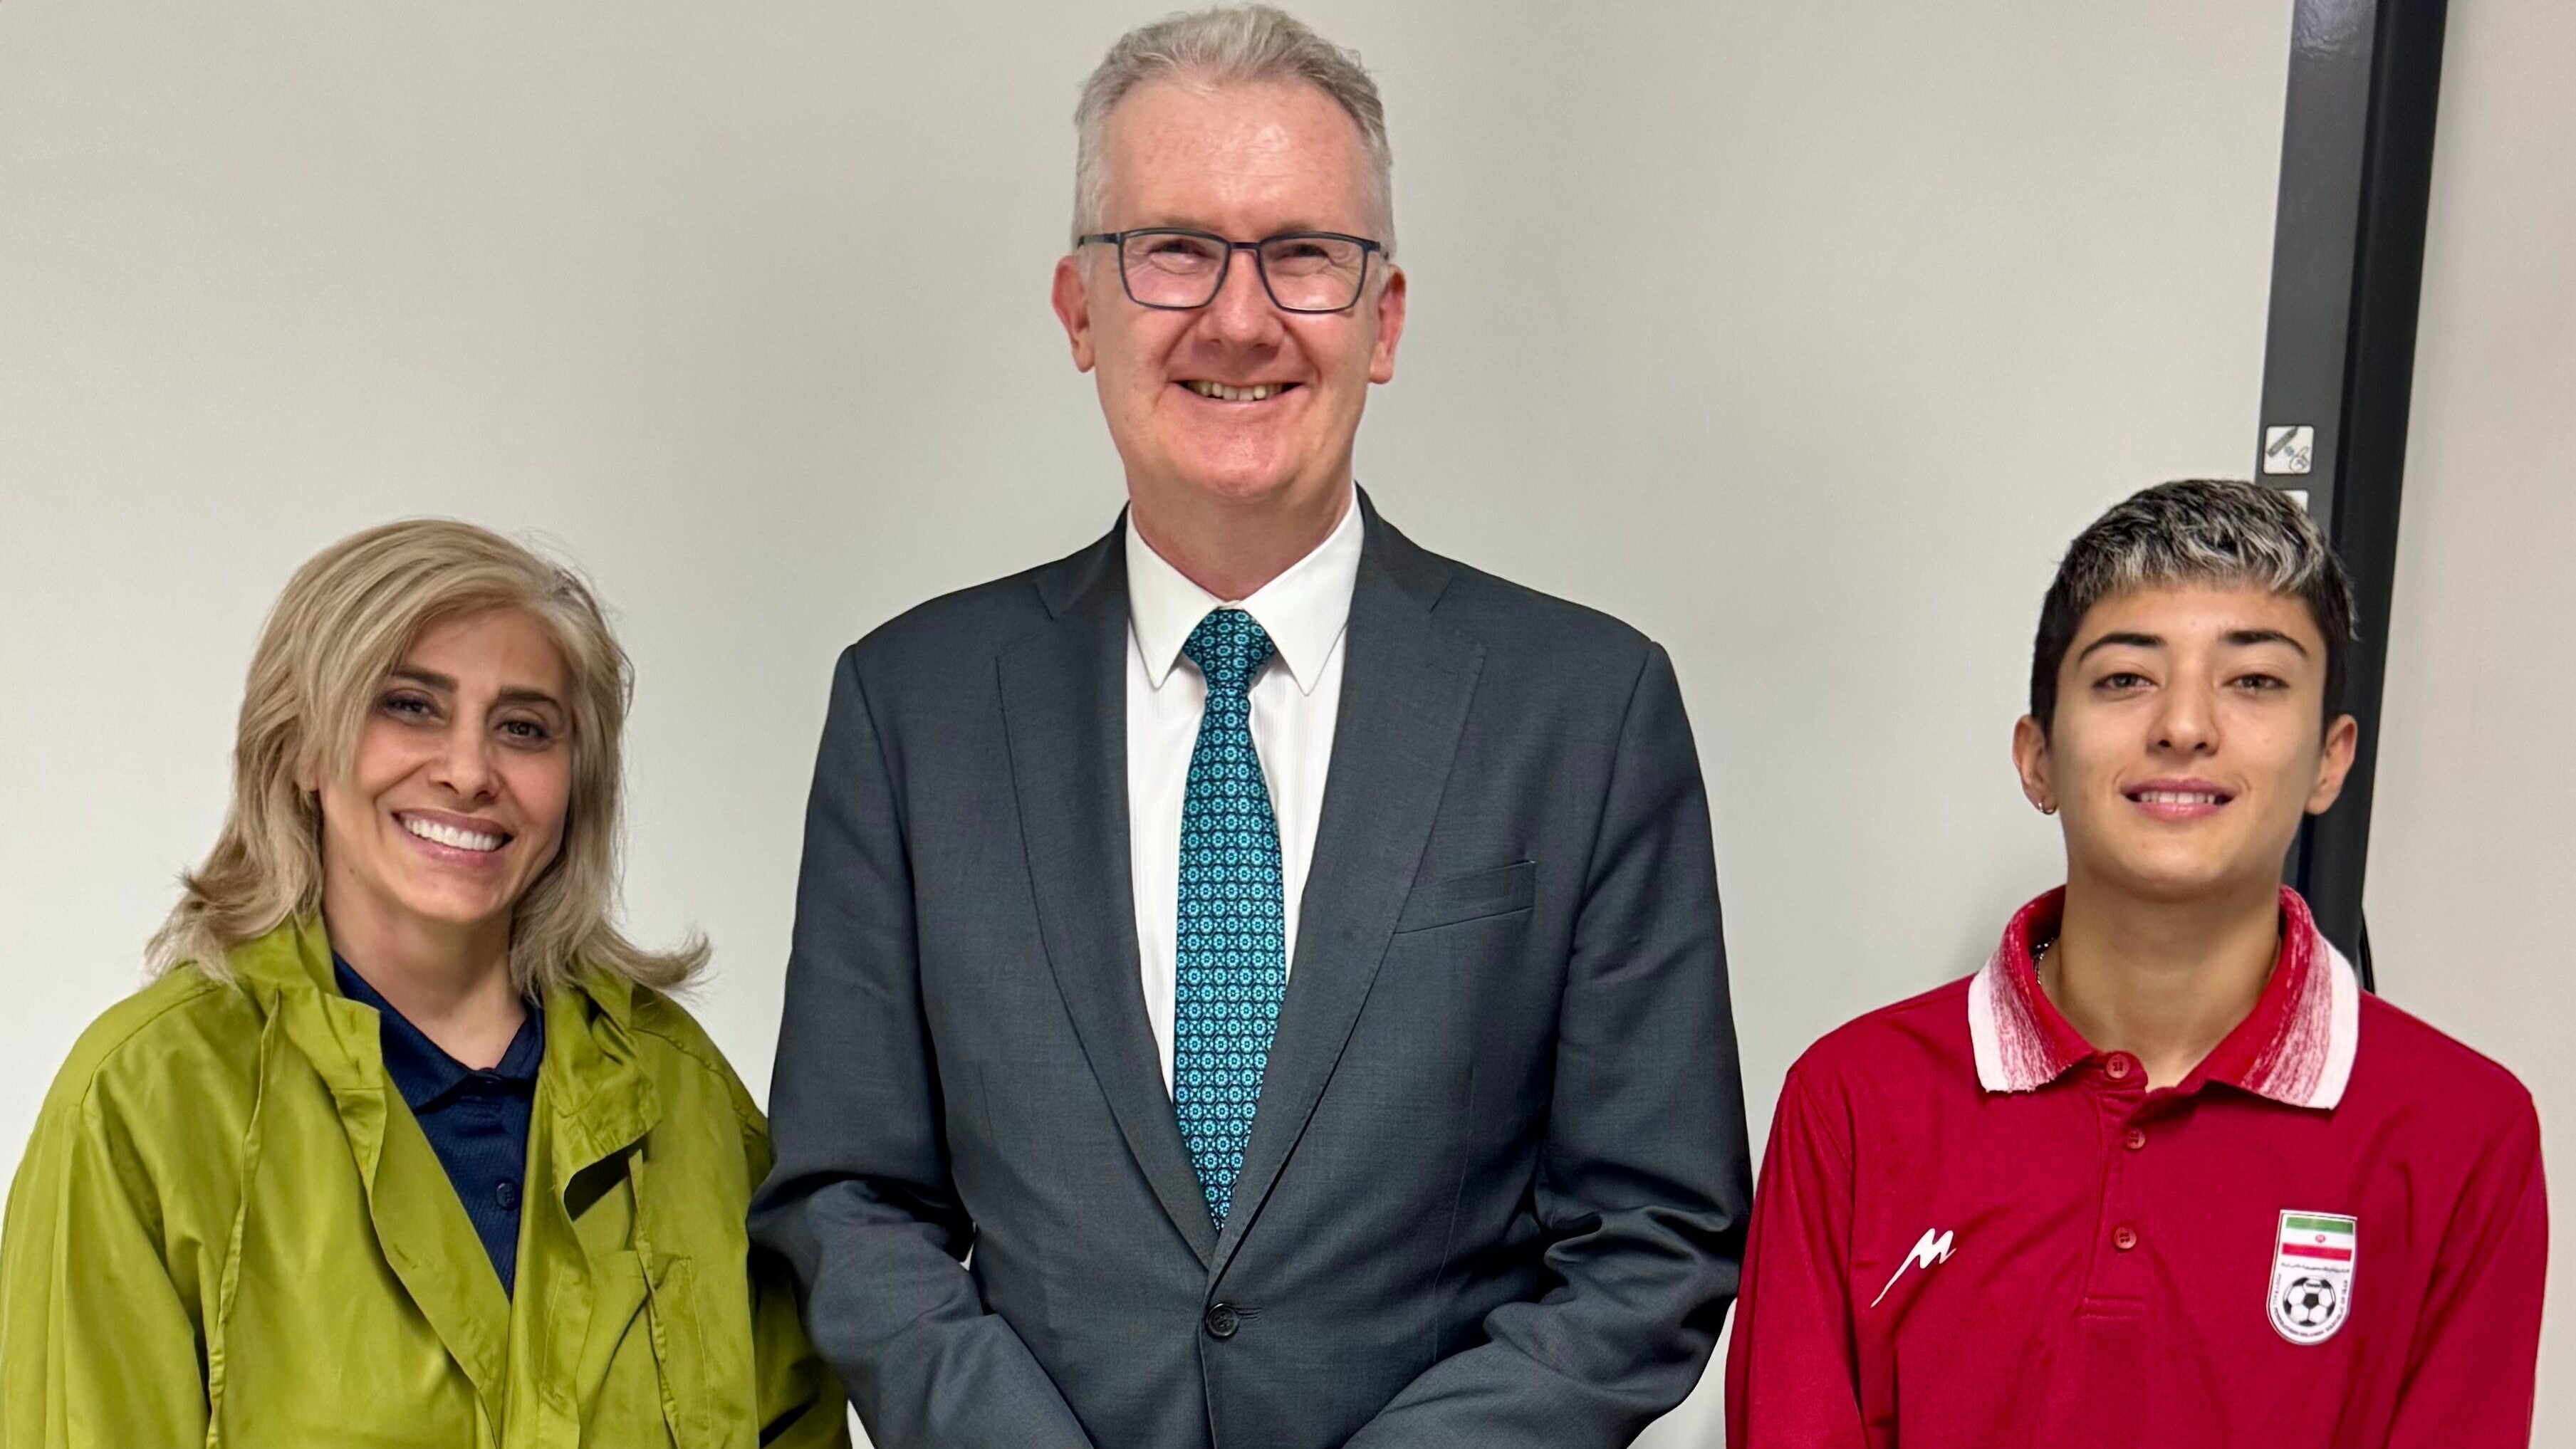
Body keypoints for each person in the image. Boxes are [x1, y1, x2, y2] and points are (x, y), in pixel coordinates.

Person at [750, 7, 1749, 1448]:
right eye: (1173, 249)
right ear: (1078, 310)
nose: (1238, 316)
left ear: (1384, 318)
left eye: (1302, 254)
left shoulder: (1585, 710)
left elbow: (1654, 1229)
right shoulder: (913, 710)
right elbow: (848, 1195)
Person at [1725, 479, 2548, 1448]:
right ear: (2035, 757)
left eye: (2253, 681)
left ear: (2330, 759)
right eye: (2123, 679)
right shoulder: (1854, 1100)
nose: (2183, 726)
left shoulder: (2462, 1130)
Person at [0, 520, 845, 1447]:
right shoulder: (146, 1098)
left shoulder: (684, 1097)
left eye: (524, 728)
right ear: (304, 751)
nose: (469, 771)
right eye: (410, 706)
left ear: (576, 785)